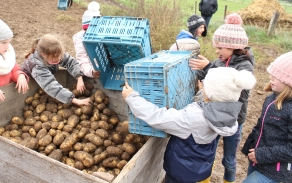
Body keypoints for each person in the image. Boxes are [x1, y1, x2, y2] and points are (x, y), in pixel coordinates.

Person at [122, 67, 256, 183]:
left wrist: (132, 98)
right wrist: (203, 93)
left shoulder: (194, 117)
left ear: (210, 93)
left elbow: (158, 117)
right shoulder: (226, 114)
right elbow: (211, 105)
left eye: (206, 84)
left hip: (181, 174)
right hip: (199, 169)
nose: (202, 83)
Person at [189, 13, 254, 183]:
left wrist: (209, 67)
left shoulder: (245, 66)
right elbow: (206, 75)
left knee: (229, 160)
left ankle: (229, 180)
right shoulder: (219, 61)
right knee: (208, 152)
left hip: (234, 119)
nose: (216, 51)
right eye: (216, 47)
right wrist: (196, 71)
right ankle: (204, 178)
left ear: (234, 47)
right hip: (214, 115)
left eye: (220, 47)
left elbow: (236, 90)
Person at [241, 51, 292, 183]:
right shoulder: (271, 99)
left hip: (275, 170)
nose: (271, 78)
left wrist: (261, 154)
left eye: (277, 76)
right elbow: (261, 124)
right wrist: (250, 145)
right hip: (257, 161)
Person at [21, 34, 92, 107]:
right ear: (43, 55)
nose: (59, 58)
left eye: (59, 55)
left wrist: (79, 77)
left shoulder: (55, 53)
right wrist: (75, 100)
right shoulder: (37, 67)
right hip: (32, 83)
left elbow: (70, 61)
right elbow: (51, 86)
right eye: (55, 56)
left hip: (44, 79)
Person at [73, 1, 101, 78]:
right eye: (87, 31)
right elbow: (82, 60)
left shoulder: (105, 36)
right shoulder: (79, 39)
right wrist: (91, 71)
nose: (90, 34)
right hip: (95, 72)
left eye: (93, 30)